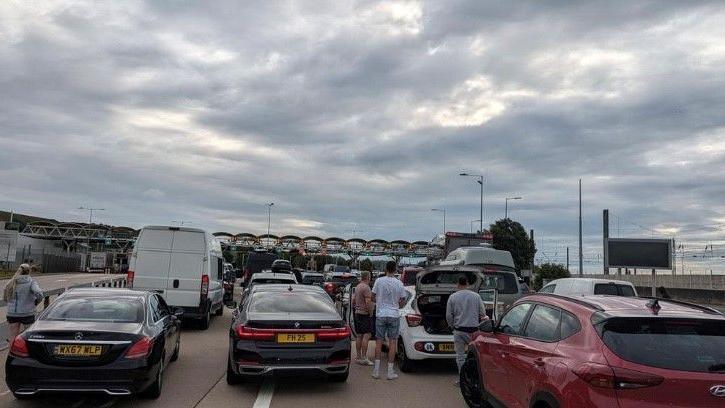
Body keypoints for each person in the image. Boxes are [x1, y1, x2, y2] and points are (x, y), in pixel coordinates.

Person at [446, 275, 487, 383]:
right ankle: (475, 379)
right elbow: (483, 313)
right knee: (475, 356)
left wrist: (451, 326)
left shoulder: (453, 297)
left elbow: (449, 315)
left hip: (459, 330)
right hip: (474, 332)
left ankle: (462, 380)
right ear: (467, 284)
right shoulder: (476, 296)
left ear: (458, 284)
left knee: (460, 357)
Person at [371, 261, 406, 380]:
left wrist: (380, 302)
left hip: (381, 314)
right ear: (395, 270)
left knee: (379, 342)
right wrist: (397, 305)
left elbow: (372, 296)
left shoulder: (379, 281)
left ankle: (376, 371)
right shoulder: (400, 283)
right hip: (394, 315)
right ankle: (390, 372)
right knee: (392, 343)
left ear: (385, 269)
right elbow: (402, 300)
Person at [3, 264, 43, 344]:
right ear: (29, 271)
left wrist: (10, 303)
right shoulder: (31, 282)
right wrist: (36, 302)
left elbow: (5, 295)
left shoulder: (11, 282)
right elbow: (39, 294)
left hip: (12, 314)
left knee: (13, 337)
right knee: (29, 336)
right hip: (27, 313)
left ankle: (12, 354)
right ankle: (27, 354)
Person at [352, 270, 374, 365]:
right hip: (364, 314)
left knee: (359, 335)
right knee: (367, 335)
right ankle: (364, 358)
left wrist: (357, 307)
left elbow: (353, 300)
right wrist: (371, 312)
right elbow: (368, 302)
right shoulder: (366, 288)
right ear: (368, 277)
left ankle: (358, 356)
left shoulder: (358, 287)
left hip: (357, 313)